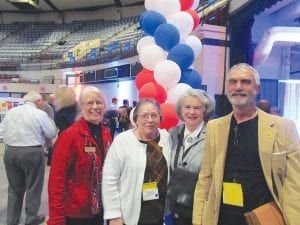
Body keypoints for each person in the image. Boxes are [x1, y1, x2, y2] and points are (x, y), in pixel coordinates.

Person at [192, 63, 300, 225]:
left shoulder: (283, 128)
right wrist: (198, 220)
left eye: (245, 82)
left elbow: (294, 183)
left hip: (263, 218)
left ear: (257, 88)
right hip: (221, 218)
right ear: (227, 88)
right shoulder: (215, 127)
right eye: (233, 82)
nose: (238, 87)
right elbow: (205, 178)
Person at [48, 86, 112, 225]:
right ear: (81, 107)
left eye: (99, 102)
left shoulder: (106, 134)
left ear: (104, 106)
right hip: (76, 214)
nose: (95, 107)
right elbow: (56, 181)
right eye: (89, 103)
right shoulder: (69, 136)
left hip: (100, 210)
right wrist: (56, 219)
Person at [102, 98, 172, 225]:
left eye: (154, 115)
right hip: (127, 216)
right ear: (136, 119)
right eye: (144, 115)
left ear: (160, 118)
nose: (150, 120)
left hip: (157, 213)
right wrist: (114, 215)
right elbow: (109, 179)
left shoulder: (166, 138)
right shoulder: (123, 141)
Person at [0, 91, 56, 225]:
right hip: (32, 152)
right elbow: (51, 132)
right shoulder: (39, 114)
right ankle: (31, 218)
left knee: (14, 189)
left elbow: (1, 131)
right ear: (38, 101)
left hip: (11, 151)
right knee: (33, 186)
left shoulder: (11, 112)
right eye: (41, 101)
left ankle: (11, 220)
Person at [168, 89, 215, 225]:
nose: (191, 112)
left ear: (205, 111)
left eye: (197, 108)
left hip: (201, 207)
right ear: (181, 110)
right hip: (176, 205)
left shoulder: (213, 135)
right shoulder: (173, 133)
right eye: (187, 107)